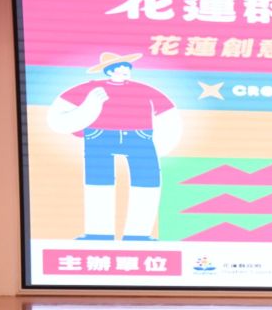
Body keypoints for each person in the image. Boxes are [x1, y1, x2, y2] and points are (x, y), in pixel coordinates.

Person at [47, 51, 181, 240]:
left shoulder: (144, 89)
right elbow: (61, 114)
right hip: (99, 136)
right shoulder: (91, 88)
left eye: (127, 67)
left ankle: (139, 234)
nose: (125, 70)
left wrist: (165, 141)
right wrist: (88, 108)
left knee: (147, 181)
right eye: (120, 67)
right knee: (98, 182)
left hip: (139, 136)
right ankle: (98, 232)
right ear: (109, 71)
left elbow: (167, 112)